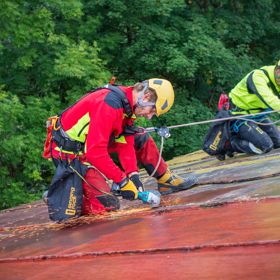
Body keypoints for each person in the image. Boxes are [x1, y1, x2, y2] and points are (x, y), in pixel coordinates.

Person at [46, 78, 198, 215]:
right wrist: (122, 181)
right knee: (107, 206)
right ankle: (60, 195)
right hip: (70, 154)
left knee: (141, 136)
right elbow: (95, 152)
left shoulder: (127, 104)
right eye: (152, 110)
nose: (149, 116)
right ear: (145, 97)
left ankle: (166, 179)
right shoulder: (109, 104)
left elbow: (124, 140)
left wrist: (134, 176)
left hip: (89, 144)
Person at [225, 60, 280, 157]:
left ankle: (249, 135)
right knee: (266, 146)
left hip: (257, 115)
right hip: (239, 116)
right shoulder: (258, 77)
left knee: (278, 142)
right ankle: (229, 144)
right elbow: (270, 100)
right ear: (276, 69)